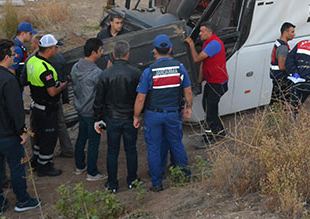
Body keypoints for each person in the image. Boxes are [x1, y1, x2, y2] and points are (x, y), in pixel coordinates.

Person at [0, 39, 41, 216]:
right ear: (6, 57)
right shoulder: (8, 79)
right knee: (17, 165)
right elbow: (16, 109)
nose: (15, 57)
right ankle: (23, 200)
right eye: (13, 54)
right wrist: (22, 131)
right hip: (6, 134)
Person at [133, 34, 193, 192]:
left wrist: (136, 116)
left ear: (154, 51)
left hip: (153, 115)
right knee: (176, 143)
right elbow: (188, 92)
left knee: (154, 148)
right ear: (170, 49)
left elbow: (140, 98)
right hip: (174, 114)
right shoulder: (179, 68)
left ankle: (157, 183)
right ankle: (184, 176)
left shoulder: (149, 72)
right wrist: (188, 108)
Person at [93, 40, 142, 193]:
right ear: (128, 54)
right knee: (131, 150)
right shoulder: (136, 73)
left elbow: (98, 99)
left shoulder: (105, 74)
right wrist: (139, 115)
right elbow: (140, 97)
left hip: (112, 118)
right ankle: (132, 181)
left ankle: (112, 184)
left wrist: (97, 118)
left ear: (114, 55)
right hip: (130, 118)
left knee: (112, 152)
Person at [25, 33, 67, 176]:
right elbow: (52, 92)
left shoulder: (32, 61)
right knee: (49, 138)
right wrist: (62, 86)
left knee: (38, 136)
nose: (57, 50)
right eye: (56, 47)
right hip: (47, 109)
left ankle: (36, 160)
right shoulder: (45, 68)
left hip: (36, 106)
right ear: (49, 49)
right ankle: (45, 166)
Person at [184, 22, 228, 148]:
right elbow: (203, 64)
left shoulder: (214, 44)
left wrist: (191, 44)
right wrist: (198, 81)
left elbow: (197, 59)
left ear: (209, 32)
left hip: (218, 83)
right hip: (212, 82)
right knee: (208, 108)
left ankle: (209, 137)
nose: (200, 33)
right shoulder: (208, 43)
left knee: (209, 111)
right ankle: (219, 131)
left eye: (202, 31)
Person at [71, 38, 106, 181]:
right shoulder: (97, 73)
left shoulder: (75, 67)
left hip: (80, 109)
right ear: (93, 52)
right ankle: (92, 172)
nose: (102, 52)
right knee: (93, 142)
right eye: (100, 50)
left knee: (81, 138)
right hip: (92, 113)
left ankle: (80, 166)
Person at [48, 47, 73, 158]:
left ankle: (41, 152)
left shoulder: (33, 60)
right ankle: (67, 149)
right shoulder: (60, 59)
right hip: (57, 96)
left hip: (41, 97)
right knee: (60, 123)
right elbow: (63, 79)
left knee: (38, 125)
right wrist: (65, 96)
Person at [270, 22, 295, 104]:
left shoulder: (278, 43)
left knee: (276, 101)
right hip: (282, 79)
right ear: (285, 32)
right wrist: (294, 69)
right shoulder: (283, 47)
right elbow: (282, 66)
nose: (294, 34)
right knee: (283, 102)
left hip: (277, 78)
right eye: (292, 32)